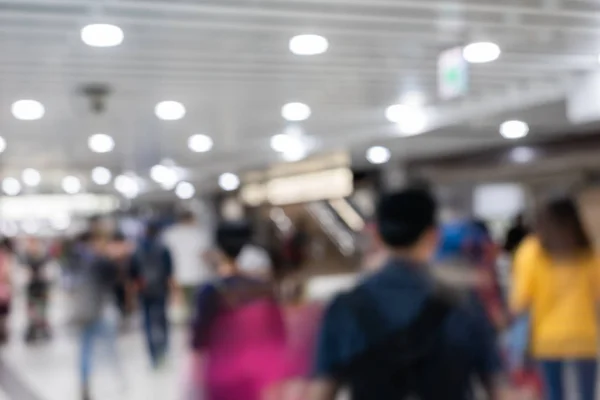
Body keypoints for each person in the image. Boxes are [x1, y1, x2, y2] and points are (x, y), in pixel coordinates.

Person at [309, 187, 504, 400]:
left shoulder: (344, 308)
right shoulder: (465, 304)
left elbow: (322, 392)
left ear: (377, 236)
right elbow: (501, 390)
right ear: (433, 236)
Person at [510, 197, 599, 400]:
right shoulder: (589, 251)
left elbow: (520, 300)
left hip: (547, 337)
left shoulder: (531, 251)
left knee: (554, 394)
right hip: (584, 335)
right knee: (587, 396)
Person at [190, 221, 288, 400]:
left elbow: (199, 341)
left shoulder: (210, 291)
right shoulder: (264, 289)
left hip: (223, 375)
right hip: (262, 373)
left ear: (219, 251)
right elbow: (280, 335)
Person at [70, 232, 123, 400]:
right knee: (108, 348)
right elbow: (114, 281)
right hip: (101, 310)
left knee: (86, 348)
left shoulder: (78, 260)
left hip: (84, 311)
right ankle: (113, 381)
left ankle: (86, 381)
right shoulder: (101, 262)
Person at [131, 222, 173, 368]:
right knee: (162, 322)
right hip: (160, 290)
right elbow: (169, 273)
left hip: (144, 291)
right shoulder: (163, 249)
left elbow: (133, 273)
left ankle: (153, 356)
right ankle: (164, 352)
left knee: (148, 323)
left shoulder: (137, 250)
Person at [162, 211, 211, 314]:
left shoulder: (169, 233)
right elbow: (205, 254)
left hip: (176, 274)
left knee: (180, 305)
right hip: (197, 275)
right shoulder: (199, 234)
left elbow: (164, 256)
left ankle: (184, 324)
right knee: (195, 305)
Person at [23, 237, 52, 343]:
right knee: (31, 312)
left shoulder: (44, 257)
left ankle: (43, 330)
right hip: (31, 288)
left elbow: (48, 272)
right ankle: (32, 331)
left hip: (42, 288)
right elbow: (24, 273)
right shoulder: (26, 258)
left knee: (42, 311)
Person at [0, 238, 14, 343]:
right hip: (3, 294)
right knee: (3, 319)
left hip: (3, 293)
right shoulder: (5, 258)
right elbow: (6, 274)